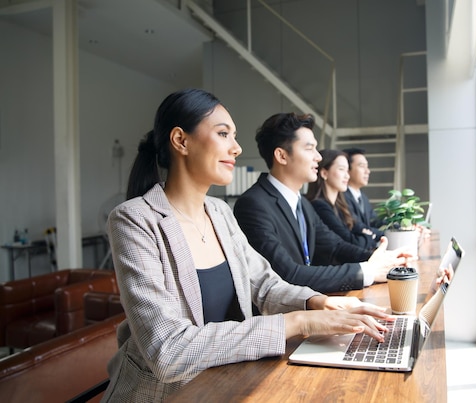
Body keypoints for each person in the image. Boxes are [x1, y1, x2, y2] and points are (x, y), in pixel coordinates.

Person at [102, 89, 394, 402]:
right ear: (181, 141)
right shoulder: (134, 220)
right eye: (223, 133)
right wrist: (298, 321)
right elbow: (167, 350)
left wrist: (318, 303)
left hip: (230, 384)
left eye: (235, 136)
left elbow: (266, 286)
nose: (237, 148)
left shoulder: (219, 212)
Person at [233, 112, 415, 294]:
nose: (318, 157)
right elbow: (287, 274)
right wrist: (367, 271)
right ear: (281, 156)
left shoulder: (302, 203)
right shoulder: (253, 205)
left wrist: (383, 259)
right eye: (309, 148)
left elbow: (335, 246)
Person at [305, 149, 378, 250]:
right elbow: (351, 242)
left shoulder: (341, 206)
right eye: (341, 169)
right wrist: (368, 237)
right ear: (324, 173)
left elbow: (358, 228)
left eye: (347, 170)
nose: (347, 176)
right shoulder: (320, 206)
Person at [342, 147, 384, 240]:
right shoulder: (341, 197)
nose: (367, 171)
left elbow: (374, 221)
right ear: (347, 170)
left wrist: (398, 225)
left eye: (367, 166)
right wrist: (386, 234)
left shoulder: (363, 197)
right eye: (362, 166)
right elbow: (357, 226)